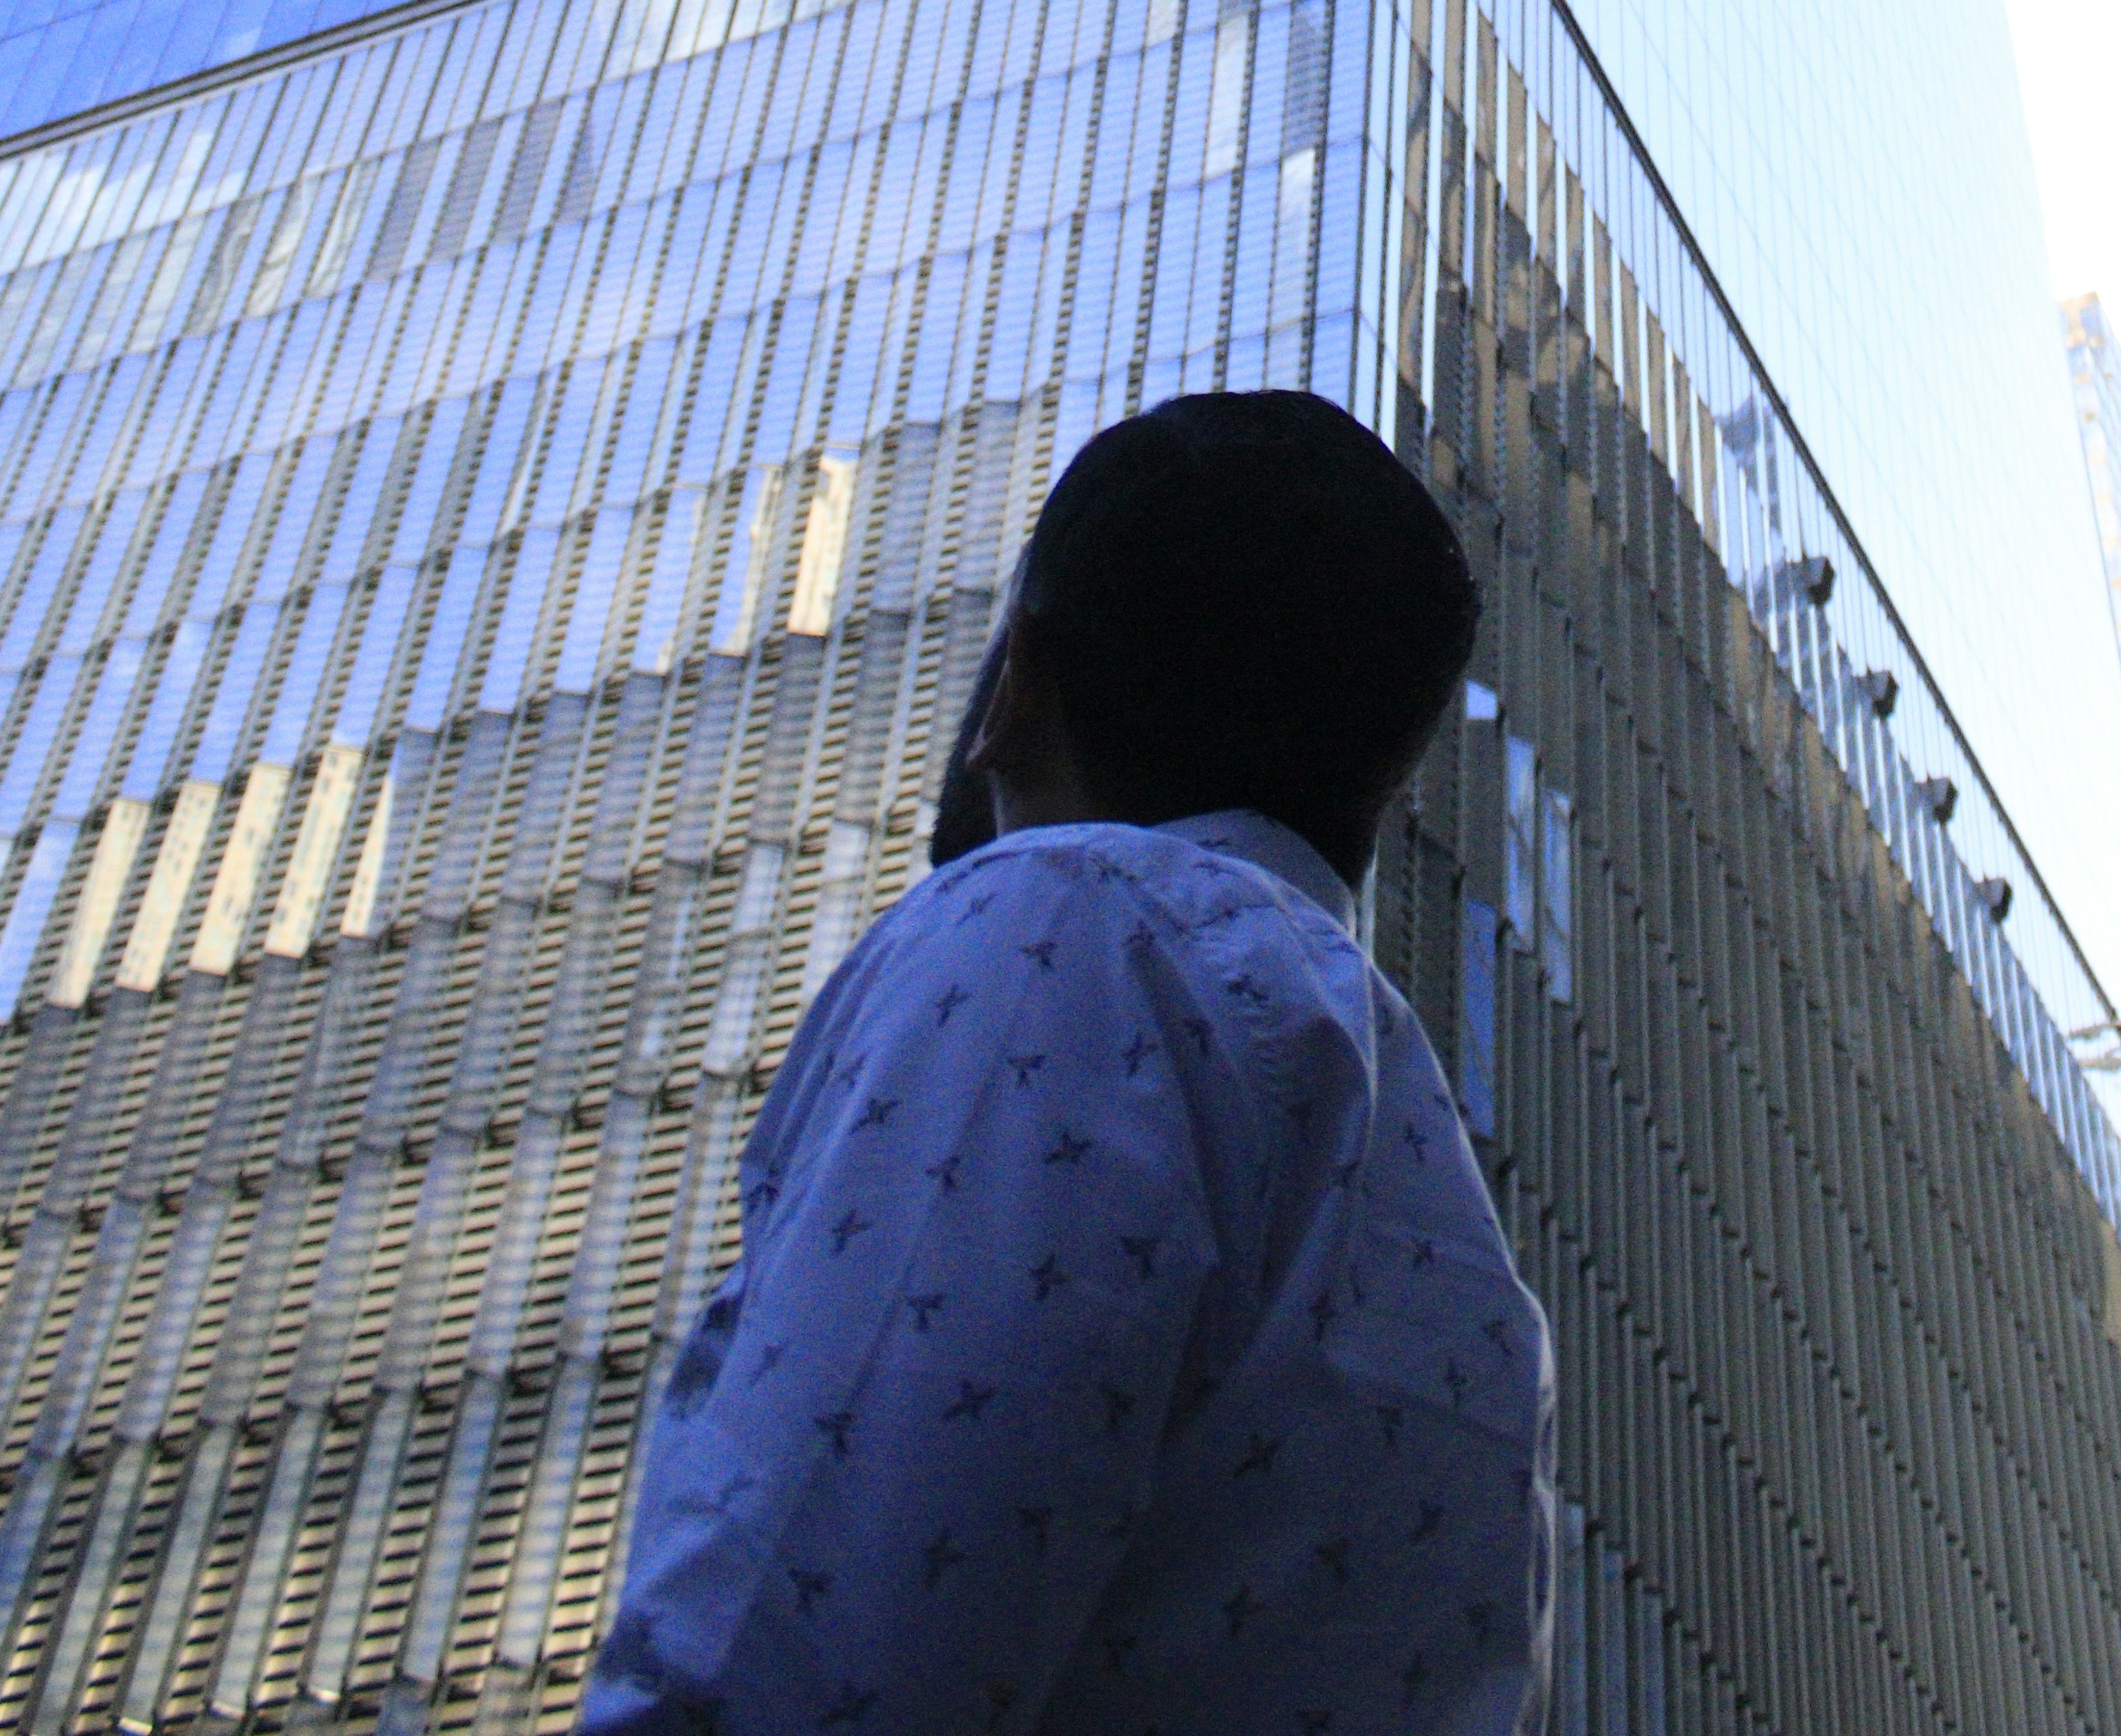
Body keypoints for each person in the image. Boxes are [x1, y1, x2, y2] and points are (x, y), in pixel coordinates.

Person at [584, 389, 1555, 1734]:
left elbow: (799, 1640)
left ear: (1019, 685)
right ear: (1377, 793)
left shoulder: (1065, 923)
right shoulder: (1419, 1170)